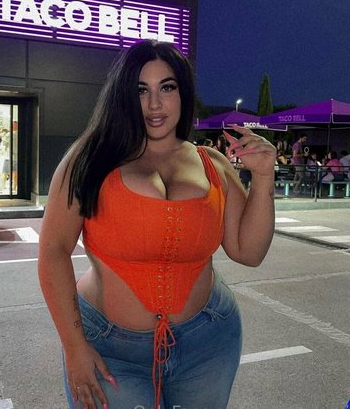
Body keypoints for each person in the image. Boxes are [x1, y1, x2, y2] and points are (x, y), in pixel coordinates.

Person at [38, 40, 276, 409]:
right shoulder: (89, 159)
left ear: (183, 93)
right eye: (140, 90)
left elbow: (249, 252)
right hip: (109, 347)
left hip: (207, 342)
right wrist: (74, 347)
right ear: (123, 95)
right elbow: (53, 250)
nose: (154, 104)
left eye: (167, 87)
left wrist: (263, 177)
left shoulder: (212, 163)